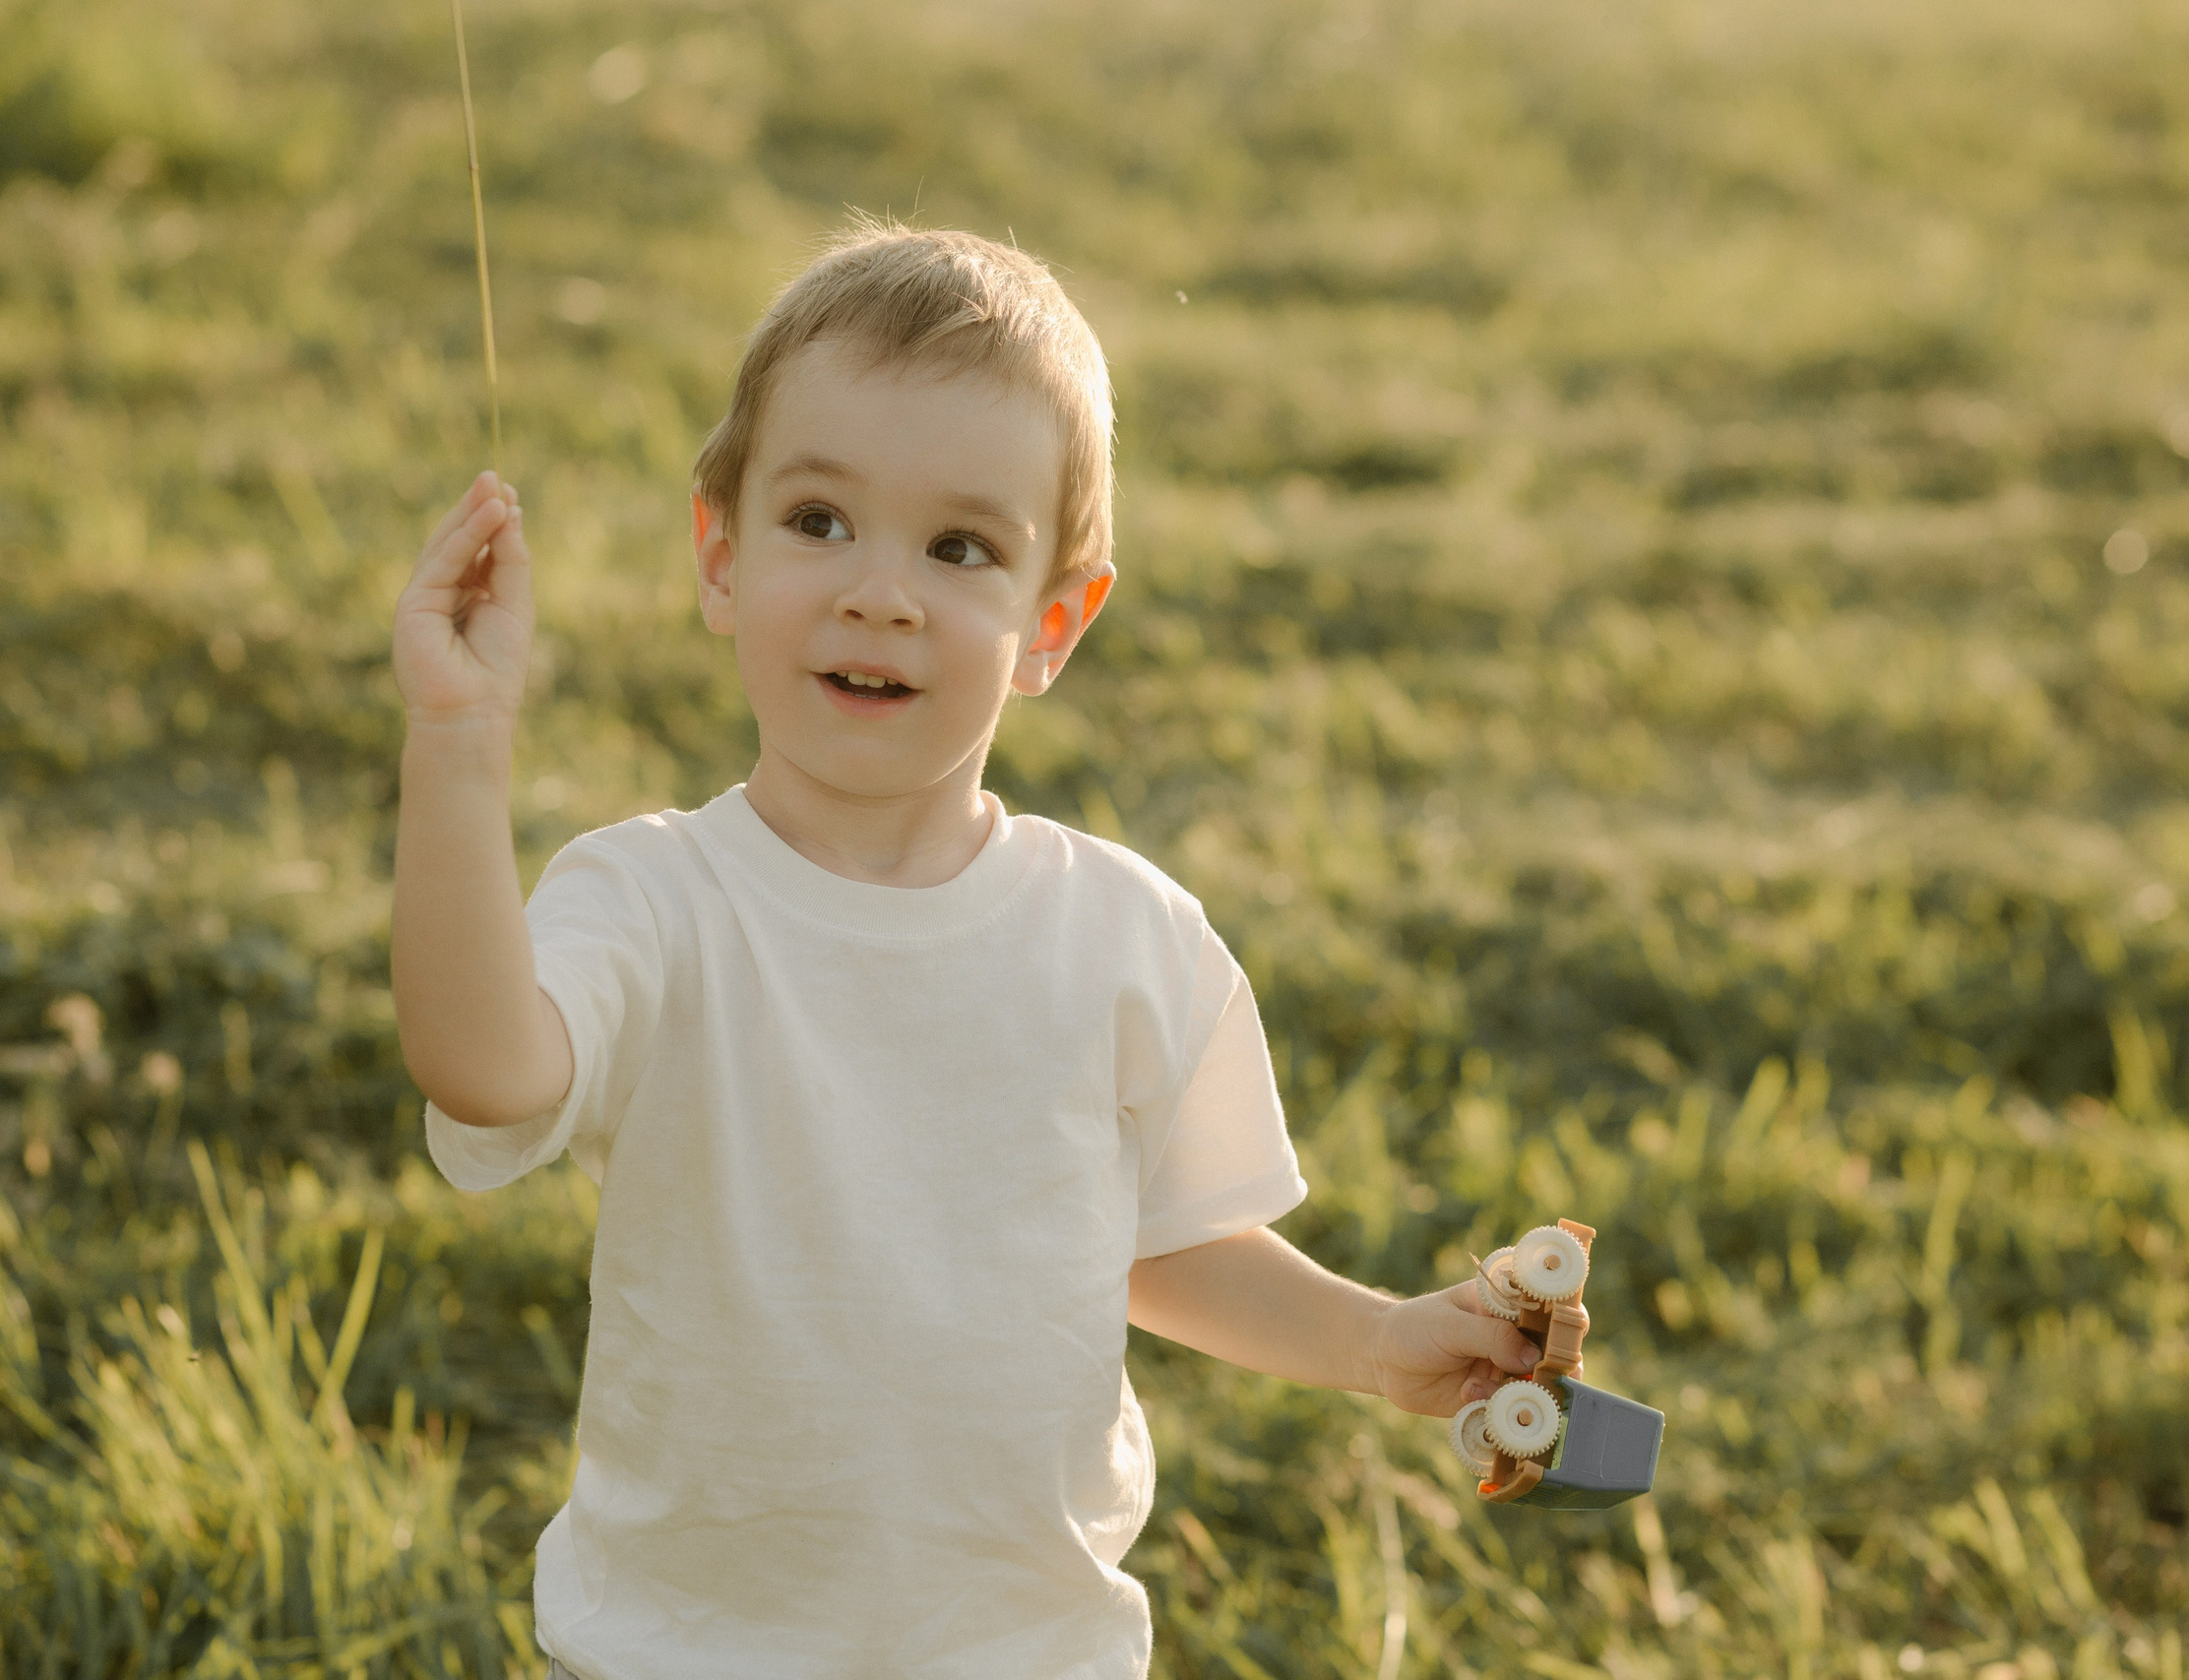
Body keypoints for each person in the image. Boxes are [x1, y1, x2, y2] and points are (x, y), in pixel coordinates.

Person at [390, 220, 1544, 1678]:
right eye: (820, 521)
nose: (882, 588)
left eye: (961, 547)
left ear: (1054, 621)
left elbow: (1173, 1245)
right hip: (686, 1650)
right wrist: (458, 744)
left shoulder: (1124, 940)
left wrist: (1378, 1344)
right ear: (721, 555)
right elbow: (485, 1071)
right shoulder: (656, 900)